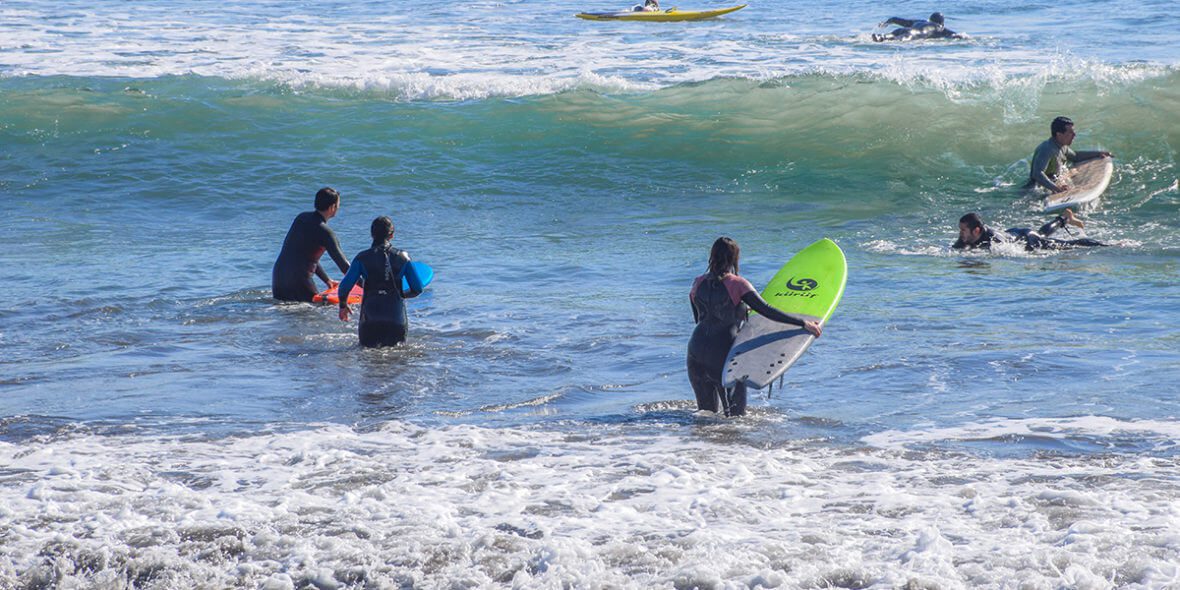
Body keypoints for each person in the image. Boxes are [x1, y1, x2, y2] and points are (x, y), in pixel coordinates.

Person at [688, 237, 823, 417]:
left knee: (705, 416)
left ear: (712, 256)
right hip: (724, 354)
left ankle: (699, 446)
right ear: (734, 258)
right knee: (736, 418)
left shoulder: (697, 283)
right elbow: (766, 310)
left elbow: (700, 318)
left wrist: (741, 309)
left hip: (696, 352)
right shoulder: (737, 284)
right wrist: (802, 323)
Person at [337, 216, 424, 348]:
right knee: (397, 359)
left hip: (370, 321)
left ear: (372, 234)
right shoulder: (403, 257)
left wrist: (343, 306)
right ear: (392, 235)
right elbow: (417, 288)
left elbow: (344, 287)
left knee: (369, 361)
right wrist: (400, 295)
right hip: (396, 321)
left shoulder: (362, 258)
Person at [272, 187, 350, 302]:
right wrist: (368, 287)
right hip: (299, 283)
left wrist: (327, 280)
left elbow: (306, 256)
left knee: (289, 315)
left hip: (279, 280)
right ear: (332, 207)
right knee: (314, 314)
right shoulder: (326, 232)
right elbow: (344, 266)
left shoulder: (301, 218)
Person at [1025, 116, 1114, 193]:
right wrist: (1057, 188)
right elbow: (1037, 174)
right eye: (1070, 132)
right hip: (1033, 192)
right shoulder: (1047, 149)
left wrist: (1098, 154)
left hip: (1049, 185)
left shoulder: (1062, 146)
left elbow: (1075, 156)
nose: (1074, 135)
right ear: (1059, 134)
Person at [952, 209, 1106, 251]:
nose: (960, 233)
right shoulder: (967, 237)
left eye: (963, 230)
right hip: (1014, 232)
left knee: (1069, 245)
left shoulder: (994, 240)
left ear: (976, 231)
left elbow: (1006, 253)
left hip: (1027, 238)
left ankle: (1107, 245)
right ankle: (1064, 218)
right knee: (1043, 233)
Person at [872, 12, 963, 42]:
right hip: (914, 34)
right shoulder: (940, 28)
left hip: (906, 29)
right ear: (942, 23)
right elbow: (954, 35)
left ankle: (881, 36)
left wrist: (886, 23)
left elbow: (895, 19)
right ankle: (882, 38)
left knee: (893, 34)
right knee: (900, 38)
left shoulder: (920, 21)